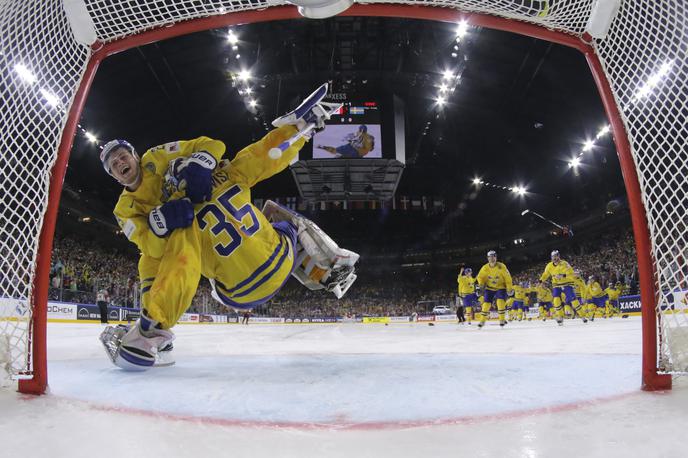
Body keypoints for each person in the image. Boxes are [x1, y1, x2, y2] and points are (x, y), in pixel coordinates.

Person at [99, 83, 359, 370]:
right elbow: (262, 155)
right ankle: (328, 265)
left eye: (122, 156)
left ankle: (152, 331)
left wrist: (162, 223)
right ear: (112, 175)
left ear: (135, 156)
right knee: (275, 213)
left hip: (236, 295)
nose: (120, 162)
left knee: (165, 258)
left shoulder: (175, 220)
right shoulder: (226, 172)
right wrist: (298, 132)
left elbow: (166, 257)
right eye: (113, 164)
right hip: (280, 262)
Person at [539, 250, 587, 326]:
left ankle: (582, 316)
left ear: (559, 256)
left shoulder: (565, 264)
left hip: (567, 283)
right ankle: (560, 316)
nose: (554, 258)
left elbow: (571, 274)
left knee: (573, 300)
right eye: (553, 256)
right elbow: (545, 274)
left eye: (556, 256)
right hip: (556, 285)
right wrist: (541, 281)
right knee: (556, 300)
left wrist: (563, 275)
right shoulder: (549, 265)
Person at [476, 250, 513, 328]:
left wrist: (509, 288)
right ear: (488, 258)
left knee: (500, 302)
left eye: (493, 256)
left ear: (496, 257)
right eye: (490, 257)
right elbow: (480, 277)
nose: (492, 258)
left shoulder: (502, 266)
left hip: (501, 287)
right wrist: (481, 284)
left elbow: (508, 278)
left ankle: (502, 320)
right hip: (489, 288)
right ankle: (482, 321)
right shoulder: (485, 267)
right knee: (486, 304)